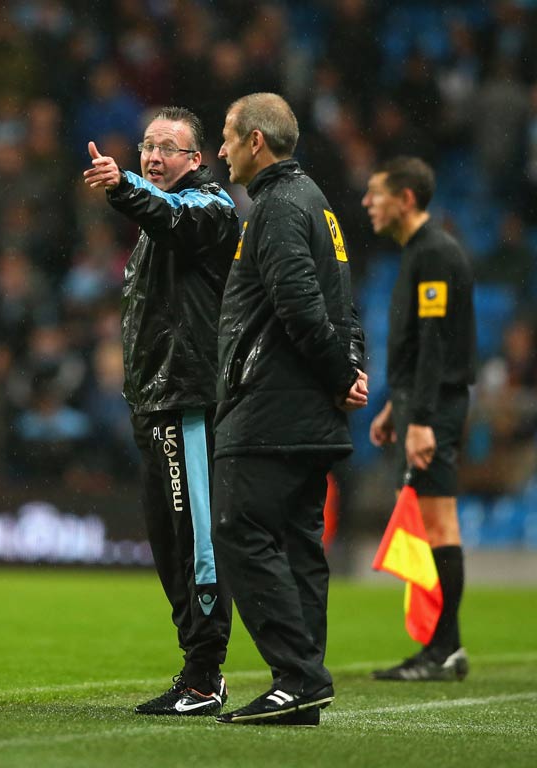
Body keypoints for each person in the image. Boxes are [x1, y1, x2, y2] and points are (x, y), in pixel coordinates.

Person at [212, 93, 368, 726]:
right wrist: (348, 370)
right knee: (300, 544)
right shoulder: (318, 203)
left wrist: (337, 373)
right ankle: (304, 685)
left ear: (256, 142)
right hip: (311, 411)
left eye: (225, 138)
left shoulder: (276, 205)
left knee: (240, 526)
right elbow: (343, 304)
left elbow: (300, 303)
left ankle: (298, 674)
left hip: (273, 409)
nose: (220, 151)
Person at [84, 105, 239, 716]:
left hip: (190, 400)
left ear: (196, 160)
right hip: (155, 403)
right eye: (148, 145)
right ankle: (196, 669)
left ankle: (205, 676)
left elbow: (169, 213)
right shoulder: (158, 224)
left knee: (196, 541)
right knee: (168, 543)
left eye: (169, 148)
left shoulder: (210, 208)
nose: (154, 156)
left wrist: (124, 184)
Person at [362, 156, 476, 682]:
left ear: (405, 199)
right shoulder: (418, 252)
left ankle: (444, 647)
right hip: (421, 402)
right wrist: (395, 406)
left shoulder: (434, 254)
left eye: (377, 193)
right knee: (434, 526)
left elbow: (434, 344)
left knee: (439, 523)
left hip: (437, 406)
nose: (368, 203)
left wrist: (422, 418)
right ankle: (443, 645)